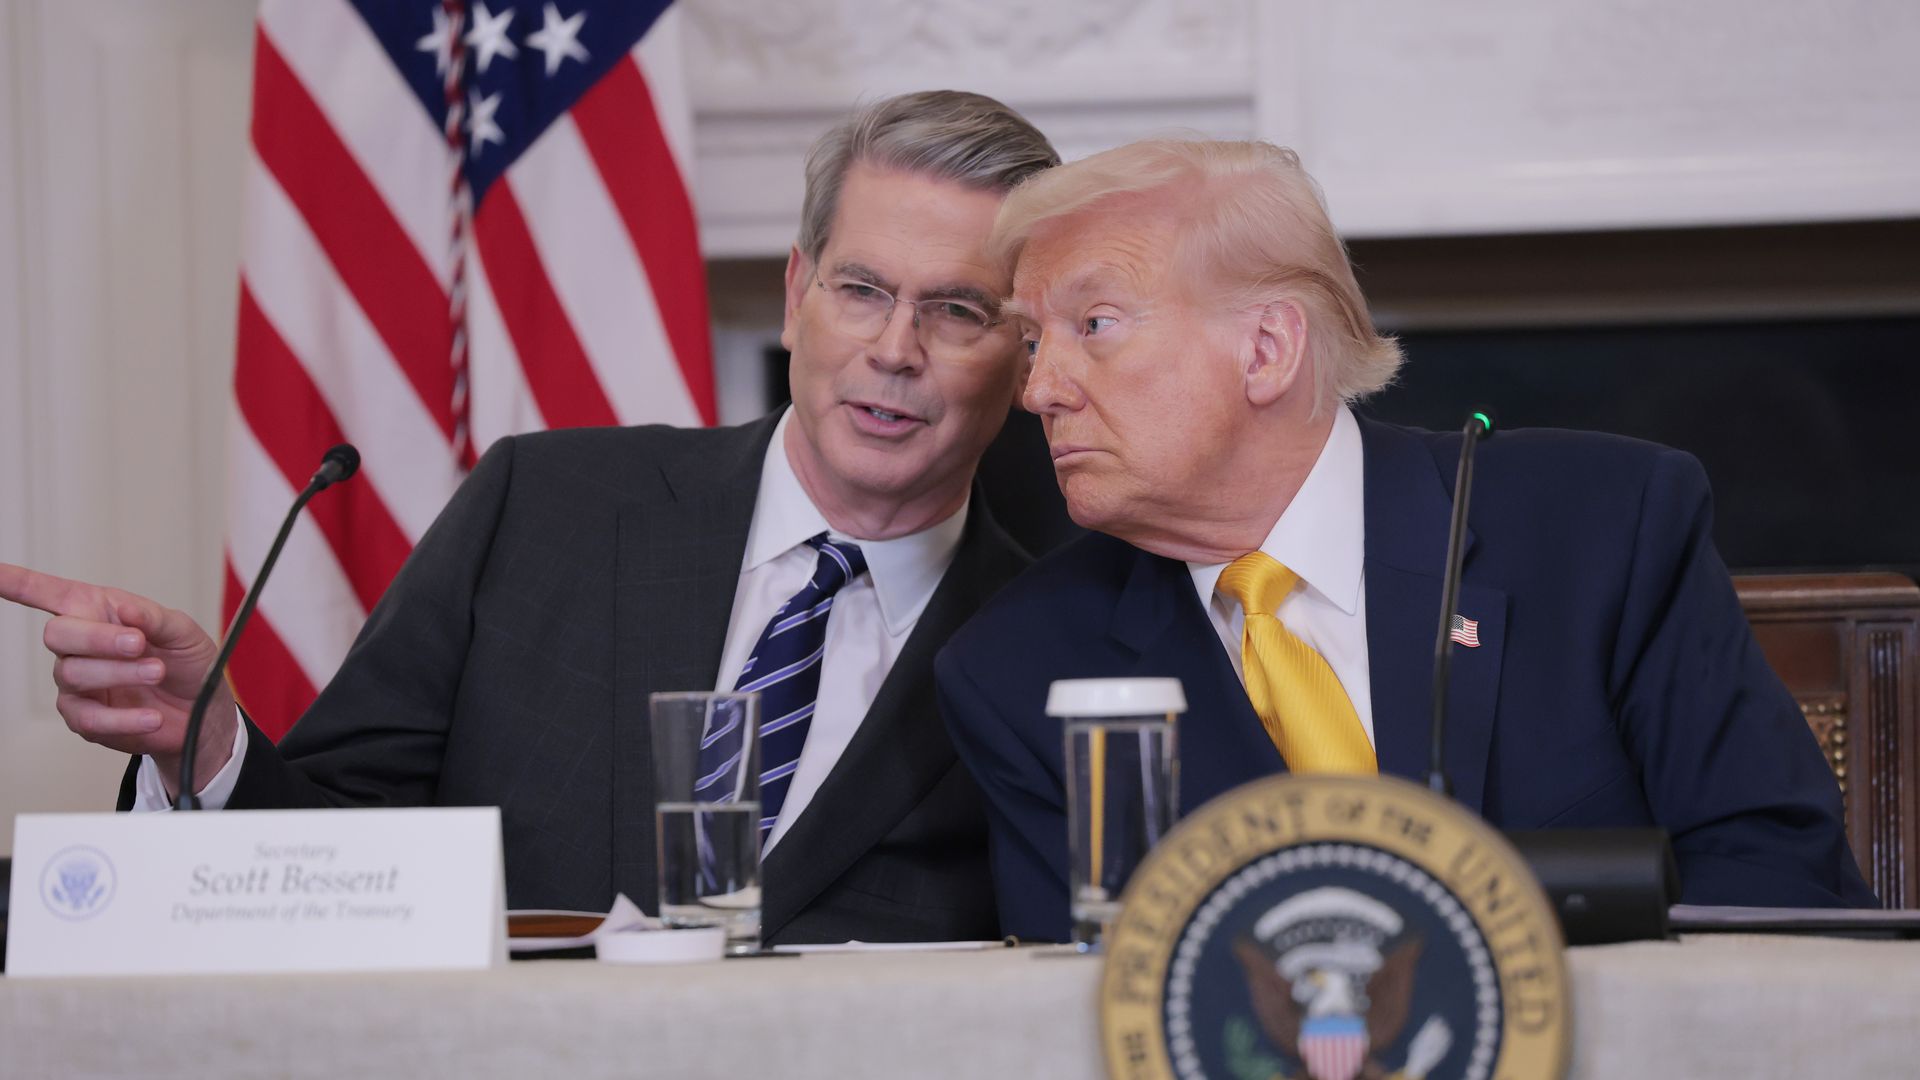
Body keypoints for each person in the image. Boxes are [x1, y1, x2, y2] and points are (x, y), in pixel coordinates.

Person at [0, 90, 1060, 945]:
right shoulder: (543, 507)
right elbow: (336, 852)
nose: (895, 349)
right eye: (862, 289)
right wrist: (211, 739)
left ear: (1026, 356)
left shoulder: (1048, 643)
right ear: (797, 296)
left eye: (957, 311)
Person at [934, 138, 1876, 943]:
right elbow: (1078, 1004)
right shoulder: (1018, 668)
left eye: (1093, 326)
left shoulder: (1603, 527)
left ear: (1266, 349)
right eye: (1030, 342)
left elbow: (1774, 885)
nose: (1038, 388)